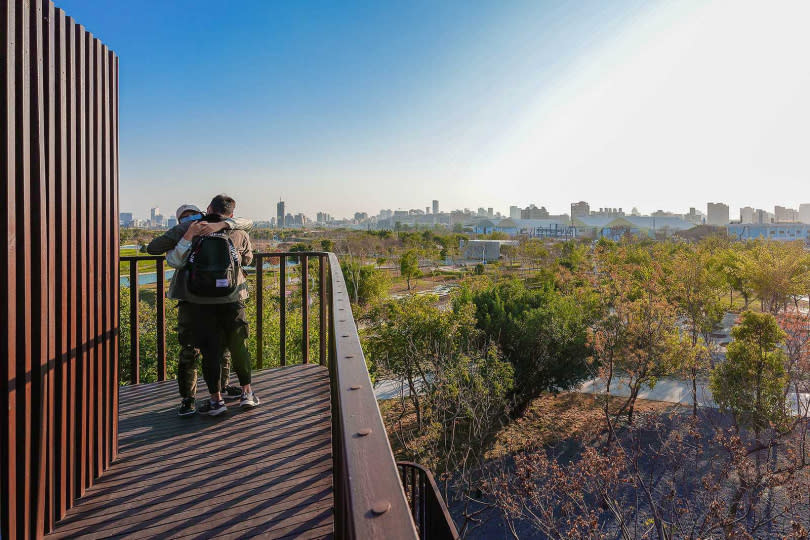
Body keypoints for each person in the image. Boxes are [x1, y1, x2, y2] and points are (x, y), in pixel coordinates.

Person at [152, 194, 257, 416]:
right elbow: (247, 260)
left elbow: (155, 248)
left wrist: (188, 233)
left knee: (208, 350)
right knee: (239, 347)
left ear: (208, 208)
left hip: (198, 300)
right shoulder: (239, 231)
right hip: (232, 298)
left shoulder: (190, 228)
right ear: (232, 214)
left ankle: (214, 400)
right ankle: (247, 393)